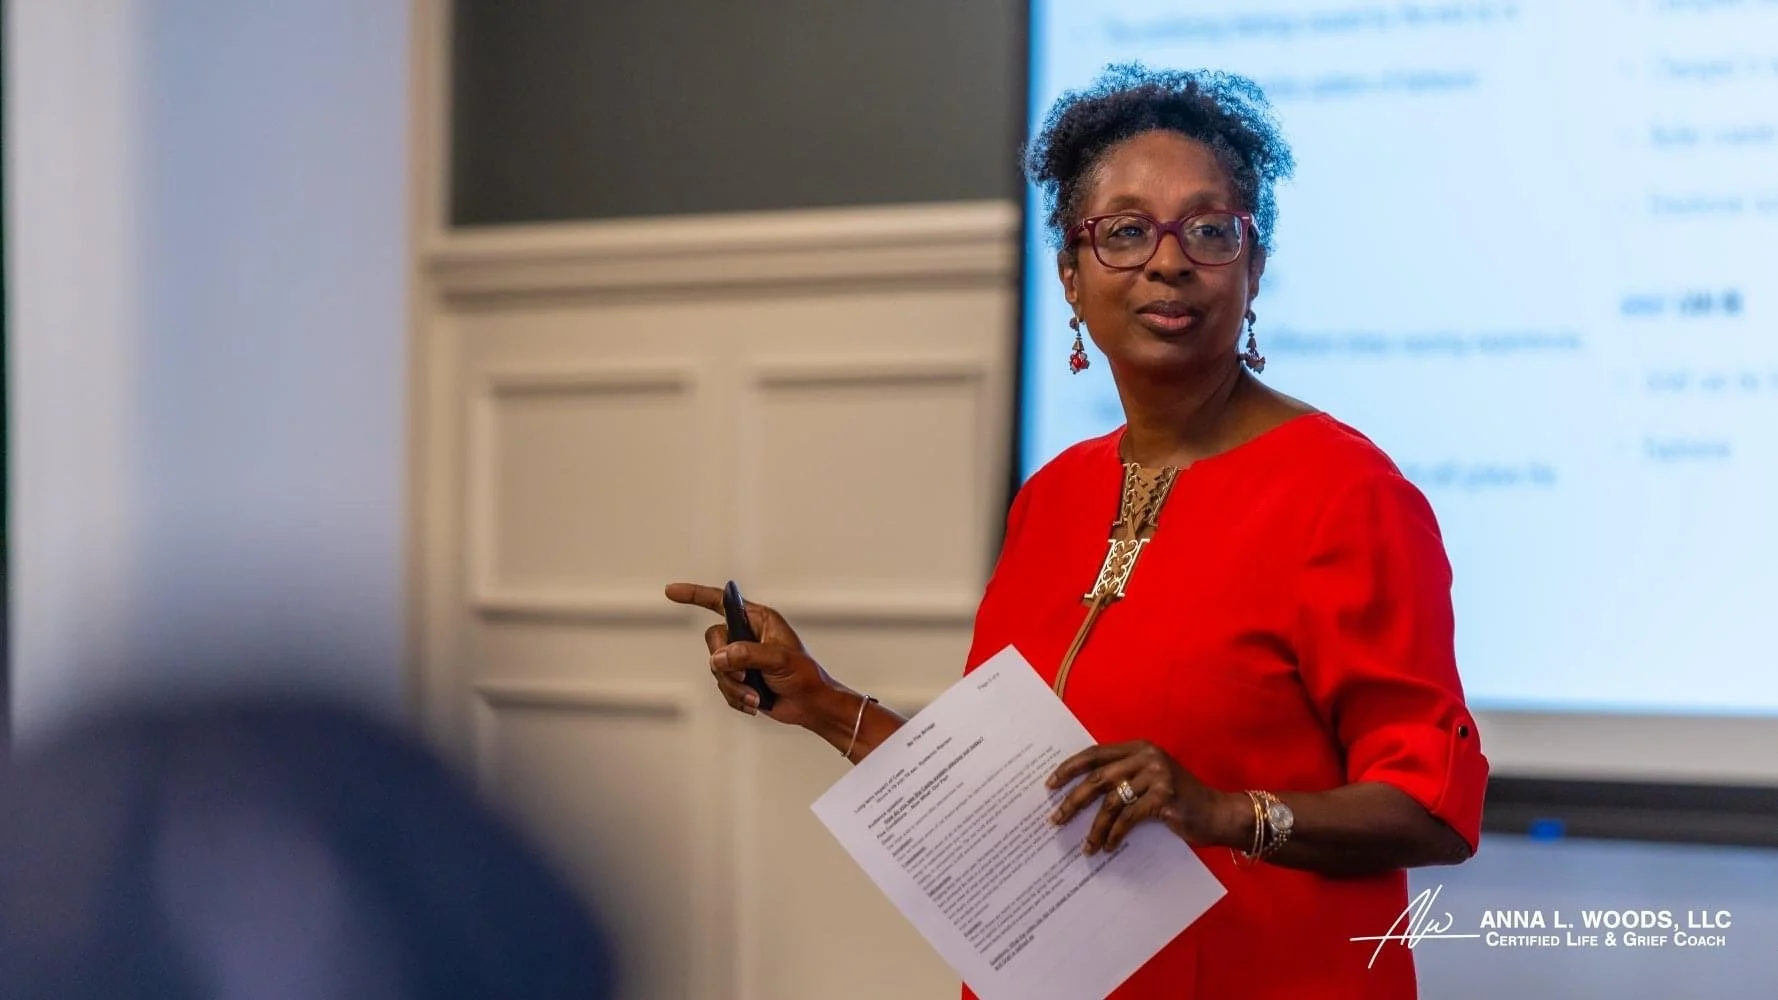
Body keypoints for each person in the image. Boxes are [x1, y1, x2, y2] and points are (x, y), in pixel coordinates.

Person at [667, 63, 1487, 999]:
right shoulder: (1053, 496)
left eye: (1210, 231)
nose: (1168, 261)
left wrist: (1222, 812)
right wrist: (817, 700)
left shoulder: (1347, 494)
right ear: (1070, 273)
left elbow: (1433, 810)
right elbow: (1014, 797)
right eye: (1126, 231)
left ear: (1253, 268)